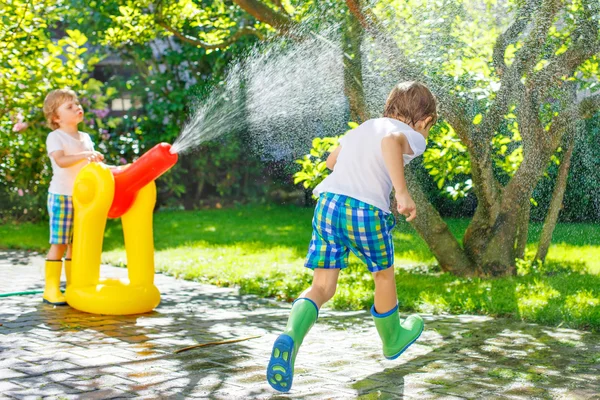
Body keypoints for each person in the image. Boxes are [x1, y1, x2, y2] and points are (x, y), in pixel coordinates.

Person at [267, 81, 437, 392]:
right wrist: (401, 192)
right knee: (383, 276)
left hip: (329, 205)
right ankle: (392, 338)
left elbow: (332, 162)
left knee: (322, 286)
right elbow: (391, 144)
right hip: (365, 210)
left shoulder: (366, 127)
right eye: (428, 128)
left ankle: (290, 335)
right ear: (425, 121)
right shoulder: (411, 134)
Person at [42, 89, 105, 305]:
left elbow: (88, 166)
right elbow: (61, 160)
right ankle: (50, 289)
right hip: (62, 196)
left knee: (76, 244)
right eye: (69, 106)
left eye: (76, 103)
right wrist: (85, 155)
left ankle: (72, 285)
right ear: (56, 118)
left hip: (83, 199)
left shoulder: (85, 138)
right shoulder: (55, 137)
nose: (77, 107)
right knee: (60, 242)